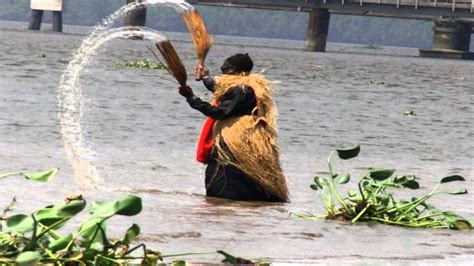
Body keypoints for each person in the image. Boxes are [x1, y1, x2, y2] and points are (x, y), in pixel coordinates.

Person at [178, 53, 289, 202]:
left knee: (228, 172)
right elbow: (222, 89)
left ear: (236, 71)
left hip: (236, 140)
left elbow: (219, 112)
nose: (222, 71)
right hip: (249, 137)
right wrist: (205, 77)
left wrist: (191, 98)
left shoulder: (241, 90)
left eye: (226, 68)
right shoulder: (247, 85)